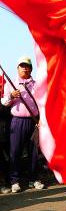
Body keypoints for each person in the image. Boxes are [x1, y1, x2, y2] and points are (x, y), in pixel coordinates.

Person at [0, 56, 44, 193]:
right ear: (17, 68)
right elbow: (4, 102)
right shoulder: (10, 84)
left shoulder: (36, 84)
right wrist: (12, 96)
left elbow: (42, 103)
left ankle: (33, 179)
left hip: (34, 121)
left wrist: (41, 120)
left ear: (31, 68)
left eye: (27, 66)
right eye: (22, 65)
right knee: (15, 152)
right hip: (17, 121)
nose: (25, 68)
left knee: (33, 152)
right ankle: (15, 181)